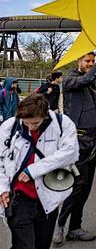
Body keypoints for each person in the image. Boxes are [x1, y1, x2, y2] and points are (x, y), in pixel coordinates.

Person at [0, 94, 79, 249]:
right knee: (24, 245)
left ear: (45, 114)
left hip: (47, 198)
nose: (30, 127)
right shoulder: (9, 126)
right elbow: (1, 159)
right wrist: (2, 188)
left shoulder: (62, 124)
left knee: (42, 245)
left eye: (35, 123)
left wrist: (34, 170)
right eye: (26, 123)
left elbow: (70, 153)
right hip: (18, 198)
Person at [53, 52, 96, 245]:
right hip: (78, 142)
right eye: (88, 61)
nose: (90, 64)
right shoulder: (70, 80)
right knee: (77, 186)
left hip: (95, 141)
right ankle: (59, 224)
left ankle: (75, 227)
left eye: (93, 61)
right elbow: (85, 79)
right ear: (78, 61)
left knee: (85, 189)